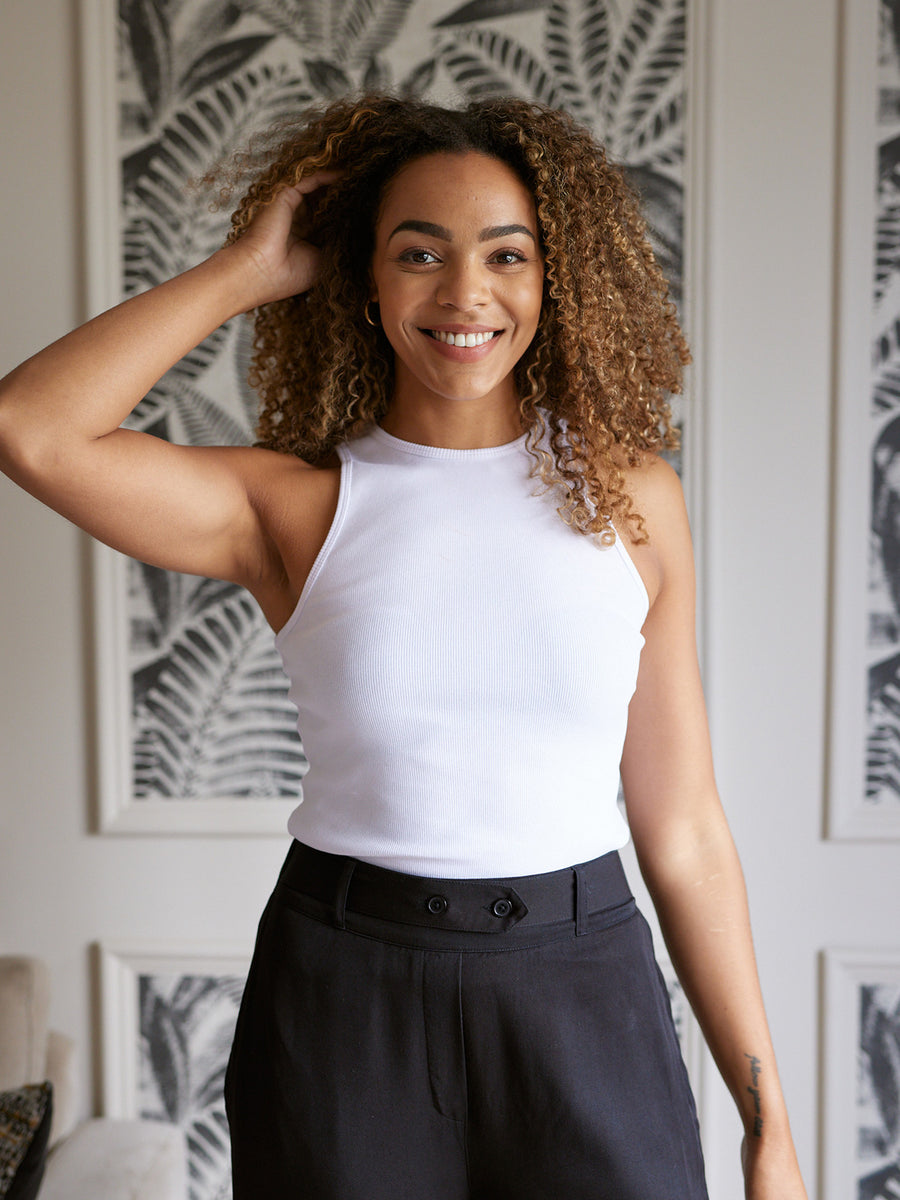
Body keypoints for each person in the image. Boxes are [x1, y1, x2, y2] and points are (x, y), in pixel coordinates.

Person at [0, 94, 807, 1199]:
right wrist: (247, 266)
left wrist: (770, 1125)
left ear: (552, 280)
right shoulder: (293, 507)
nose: (465, 294)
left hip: (584, 986)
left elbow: (685, 831)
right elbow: (30, 430)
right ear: (366, 285)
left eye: (506, 255)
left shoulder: (635, 501)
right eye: (418, 253)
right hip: (347, 995)